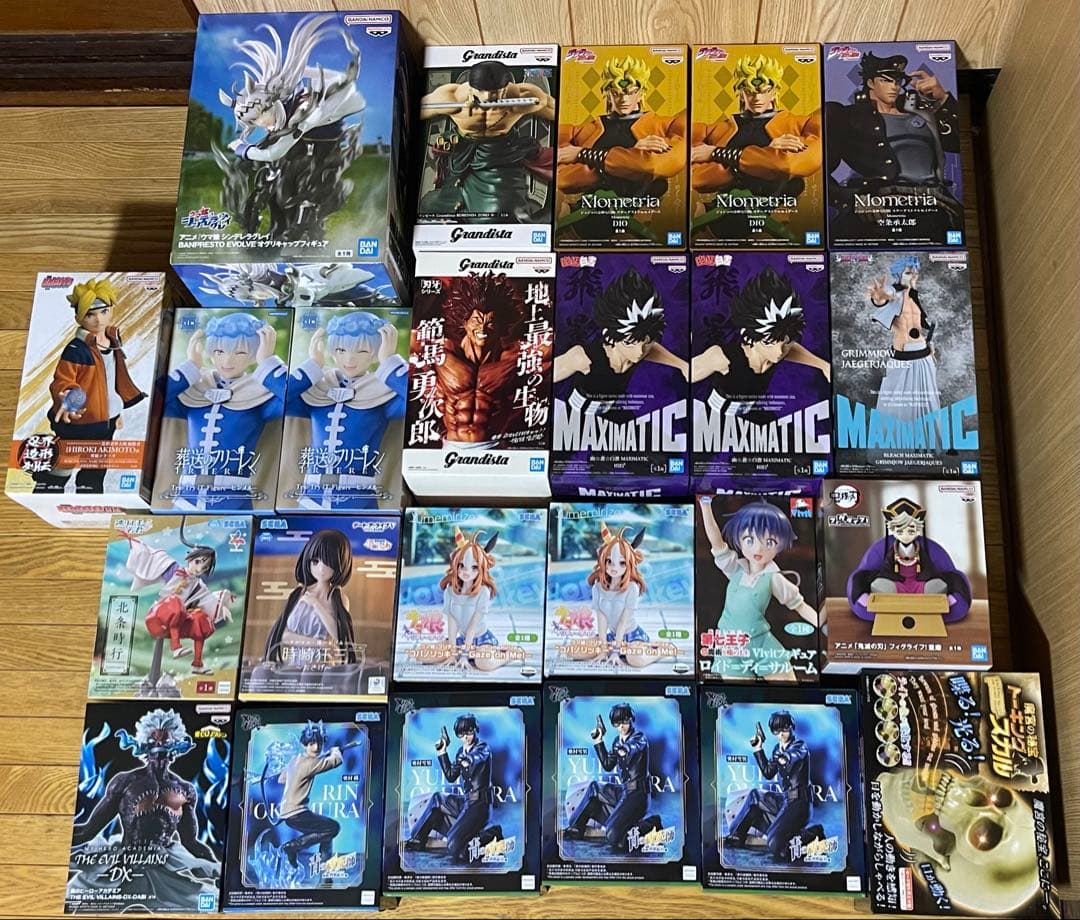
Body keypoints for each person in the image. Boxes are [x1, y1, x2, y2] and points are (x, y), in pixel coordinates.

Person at [215, 13, 368, 240]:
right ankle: (275, 226)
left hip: (324, 138)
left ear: (270, 104)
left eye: (262, 115)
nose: (262, 123)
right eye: (253, 122)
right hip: (307, 133)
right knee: (278, 180)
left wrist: (243, 149)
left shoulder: (302, 113)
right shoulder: (283, 103)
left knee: (315, 182)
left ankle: (311, 221)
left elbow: (273, 152)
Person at [68, 708, 218, 910]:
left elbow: (191, 842)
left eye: (165, 741)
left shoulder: (185, 790)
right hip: (123, 864)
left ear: (175, 745)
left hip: (164, 867)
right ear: (143, 745)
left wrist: (215, 869)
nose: (159, 746)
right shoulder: (125, 782)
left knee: (210, 901)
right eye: (153, 741)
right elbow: (88, 830)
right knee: (75, 901)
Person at [826, 51, 962, 239]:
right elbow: (816, 170)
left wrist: (942, 99)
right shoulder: (849, 117)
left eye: (898, 81)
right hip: (882, 206)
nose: (894, 87)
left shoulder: (923, 113)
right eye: (886, 80)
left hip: (936, 205)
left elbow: (957, 143)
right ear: (870, 83)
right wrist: (852, 199)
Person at [163, 312, 286, 511]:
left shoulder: (259, 395)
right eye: (219, 351)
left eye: (240, 353)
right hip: (185, 500)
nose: (227, 360)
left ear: (253, 354)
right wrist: (190, 367)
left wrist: (267, 361)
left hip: (234, 501)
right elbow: (156, 400)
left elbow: (296, 399)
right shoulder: (194, 390)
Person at [690, 54, 822, 241]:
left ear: (775, 91)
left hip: (768, 226)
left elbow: (788, 165)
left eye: (764, 91)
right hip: (713, 223)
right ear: (740, 92)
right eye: (750, 92)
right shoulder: (719, 129)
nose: (757, 98)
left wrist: (716, 154)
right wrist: (767, 155)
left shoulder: (799, 125)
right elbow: (698, 179)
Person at [285, 311, 406, 510]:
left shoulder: (383, 394)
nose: (349, 358)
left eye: (362, 351)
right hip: (310, 499)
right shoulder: (318, 389)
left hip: (359, 501)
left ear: (375, 353)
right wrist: (312, 366)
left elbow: (420, 399)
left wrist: (390, 361)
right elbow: (279, 397)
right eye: (341, 350)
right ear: (332, 351)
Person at [33, 278, 145, 493]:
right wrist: (69, 398)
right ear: (79, 317)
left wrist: (116, 411)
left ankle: (90, 500)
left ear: (111, 310)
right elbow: (63, 380)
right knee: (61, 468)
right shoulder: (76, 349)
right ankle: (45, 496)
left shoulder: (113, 340)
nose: (98, 319)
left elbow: (111, 380)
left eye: (103, 311)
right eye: (90, 315)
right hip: (79, 421)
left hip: (106, 422)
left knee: (94, 472)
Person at [557, 56, 687, 241]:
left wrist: (583, 155)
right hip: (576, 229)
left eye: (631, 92)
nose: (623, 99)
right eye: (616, 93)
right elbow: (563, 178)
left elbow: (653, 165)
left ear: (641, 93)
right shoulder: (587, 130)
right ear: (607, 94)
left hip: (633, 231)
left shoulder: (665, 126)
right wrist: (632, 155)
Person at [698, 496, 818, 680]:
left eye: (769, 542)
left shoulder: (773, 577)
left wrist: (822, 625)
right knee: (737, 697)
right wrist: (705, 504)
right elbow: (717, 543)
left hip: (761, 644)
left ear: (780, 545)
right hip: (729, 645)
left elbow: (799, 605)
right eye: (749, 540)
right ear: (739, 539)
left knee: (788, 689)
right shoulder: (735, 569)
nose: (758, 549)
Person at [419, 59, 555, 220]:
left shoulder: (523, 97)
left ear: (506, 87)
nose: (488, 97)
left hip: (500, 155)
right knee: (430, 207)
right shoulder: (452, 99)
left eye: (495, 92)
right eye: (482, 91)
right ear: (471, 87)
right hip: (462, 154)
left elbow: (556, 111)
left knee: (500, 214)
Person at [691, 267, 830, 411]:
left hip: (751, 414)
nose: (779, 352)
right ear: (748, 336)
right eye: (768, 343)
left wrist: (823, 365)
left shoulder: (779, 350)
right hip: (715, 416)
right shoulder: (722, 357)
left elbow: (791, 349)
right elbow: (687, 373)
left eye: (786, 343)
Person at [424, 272, 529, 449]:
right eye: (476, 321)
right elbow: (414, 342)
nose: (482, 328)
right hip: (452, 446)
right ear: (464, 322)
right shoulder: (444, 353)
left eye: (490, 322)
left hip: (493, 446)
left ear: (500, 326)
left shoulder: (512, 358)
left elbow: (554, 356)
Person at [553, 267, 688, 401]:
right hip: (576, 411)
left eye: (646, 343)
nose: (640, 352)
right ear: (609, 336)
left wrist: (683, 365)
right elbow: (545, 375)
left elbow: (652, 349)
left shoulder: (639, 351)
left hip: (613, 410)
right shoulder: (583, 358)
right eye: (629, 343)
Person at [118, 524, 234, 675]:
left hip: (178, 621)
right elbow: (152, 558)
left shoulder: (198, 585)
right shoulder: (173, 569)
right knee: (175, 603)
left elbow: (208, 600)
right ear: (190, 558)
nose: (199, 569)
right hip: (159, 616)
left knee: (201, 620)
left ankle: (197, 664)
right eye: (198, 562)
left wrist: (222, 605)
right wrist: (135, 542)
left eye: (204, 568)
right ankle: (176, 647)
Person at [847, 496, 971, 623]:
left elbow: (933, 570)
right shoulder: (885, 547)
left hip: (920, 583)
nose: (905, 535)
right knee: (879, 585)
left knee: (937, 585)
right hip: (896, 583)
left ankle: (941, 606)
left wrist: (927, 579)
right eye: (900, 531)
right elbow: (882, 571)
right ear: (892, 530)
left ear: (918, 530)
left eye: (911, 530)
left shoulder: (926, 547)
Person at [725, 710, 823, 860]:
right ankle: (738, 835)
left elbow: (794, 756)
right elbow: (768, 772)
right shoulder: (777, 749)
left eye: (785, 728)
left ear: (791, 727)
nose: (781, 734)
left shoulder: (800, 745)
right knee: (754, 796)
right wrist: (758, 748)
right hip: (786, 801)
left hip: (800, 805)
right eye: (777, 730)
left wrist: (784, 758)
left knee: (777, 846)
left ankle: (813, 833)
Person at [563, 703, 660, 851]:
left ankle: (652, 823)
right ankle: (576, 828)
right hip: (624, 792)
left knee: (614, 837)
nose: (621, 727)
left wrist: (624, 749)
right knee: (594, 789)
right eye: (617, 723)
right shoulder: (617, 741)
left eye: (624, 721)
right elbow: (608, 765)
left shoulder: (639, 737)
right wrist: (599, 740)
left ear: (631, 719)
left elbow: (634, 747)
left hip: (638, 796)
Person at [405, 714, 502, 861]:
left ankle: (492, 833)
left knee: (455, 849)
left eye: (469, 732)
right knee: (437, 799)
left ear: (475, 730)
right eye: (461, 734)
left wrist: (468, 760)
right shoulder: (460, 752)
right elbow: (451, 775)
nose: (465, 737)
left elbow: (477, 757)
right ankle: (419, 839)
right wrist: (442, 751)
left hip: (480, 806)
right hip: (467, 803)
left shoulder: (483, 747)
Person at [867, 255, 942, 430]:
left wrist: (930, 349)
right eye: (908, 272)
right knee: (894, 409)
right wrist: (878, 297)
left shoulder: (914, 298)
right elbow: (883, 297)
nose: (913, 275)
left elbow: (921, 327)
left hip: (924, 356)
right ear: (898, 275)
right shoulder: (895, 295)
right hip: (903, 359)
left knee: (929, 404)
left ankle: (927, 442)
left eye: (915, 272)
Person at [264, 529, 357, 669]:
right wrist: (319, 643)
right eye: (315, 561)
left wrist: (316, 604)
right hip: (293, 667)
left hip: (322, 669)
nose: (321, 568)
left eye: (328, 562)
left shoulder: (339, 599)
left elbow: (339, 635)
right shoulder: (299, 594)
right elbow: (283, 635)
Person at [277, 721, 344, 869]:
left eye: (319, 743)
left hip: (287, 813)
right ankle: (293, 846)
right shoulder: (310, 764)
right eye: (312, 743)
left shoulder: (295, 760)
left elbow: (281, 779)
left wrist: (295, 773)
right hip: (297, 813)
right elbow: (336, 761)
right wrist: (335, 751)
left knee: (325, 830)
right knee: (333, 828)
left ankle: (325, 864)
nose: (316, 747)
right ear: (304, 745)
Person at [438, 529, 506, 672]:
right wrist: (452, 654)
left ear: (481, 568)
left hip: (482, 640)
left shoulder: (483, 592)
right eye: (462, 565)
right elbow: (452, 626)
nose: (466, 572)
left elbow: (472, 627)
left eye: (474, 567)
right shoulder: (450, 591)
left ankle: (506, 654)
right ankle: (465, 654)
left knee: (484, 664)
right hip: (461, 640)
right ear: (456, 565)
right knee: (423, 655)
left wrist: (464, 656)